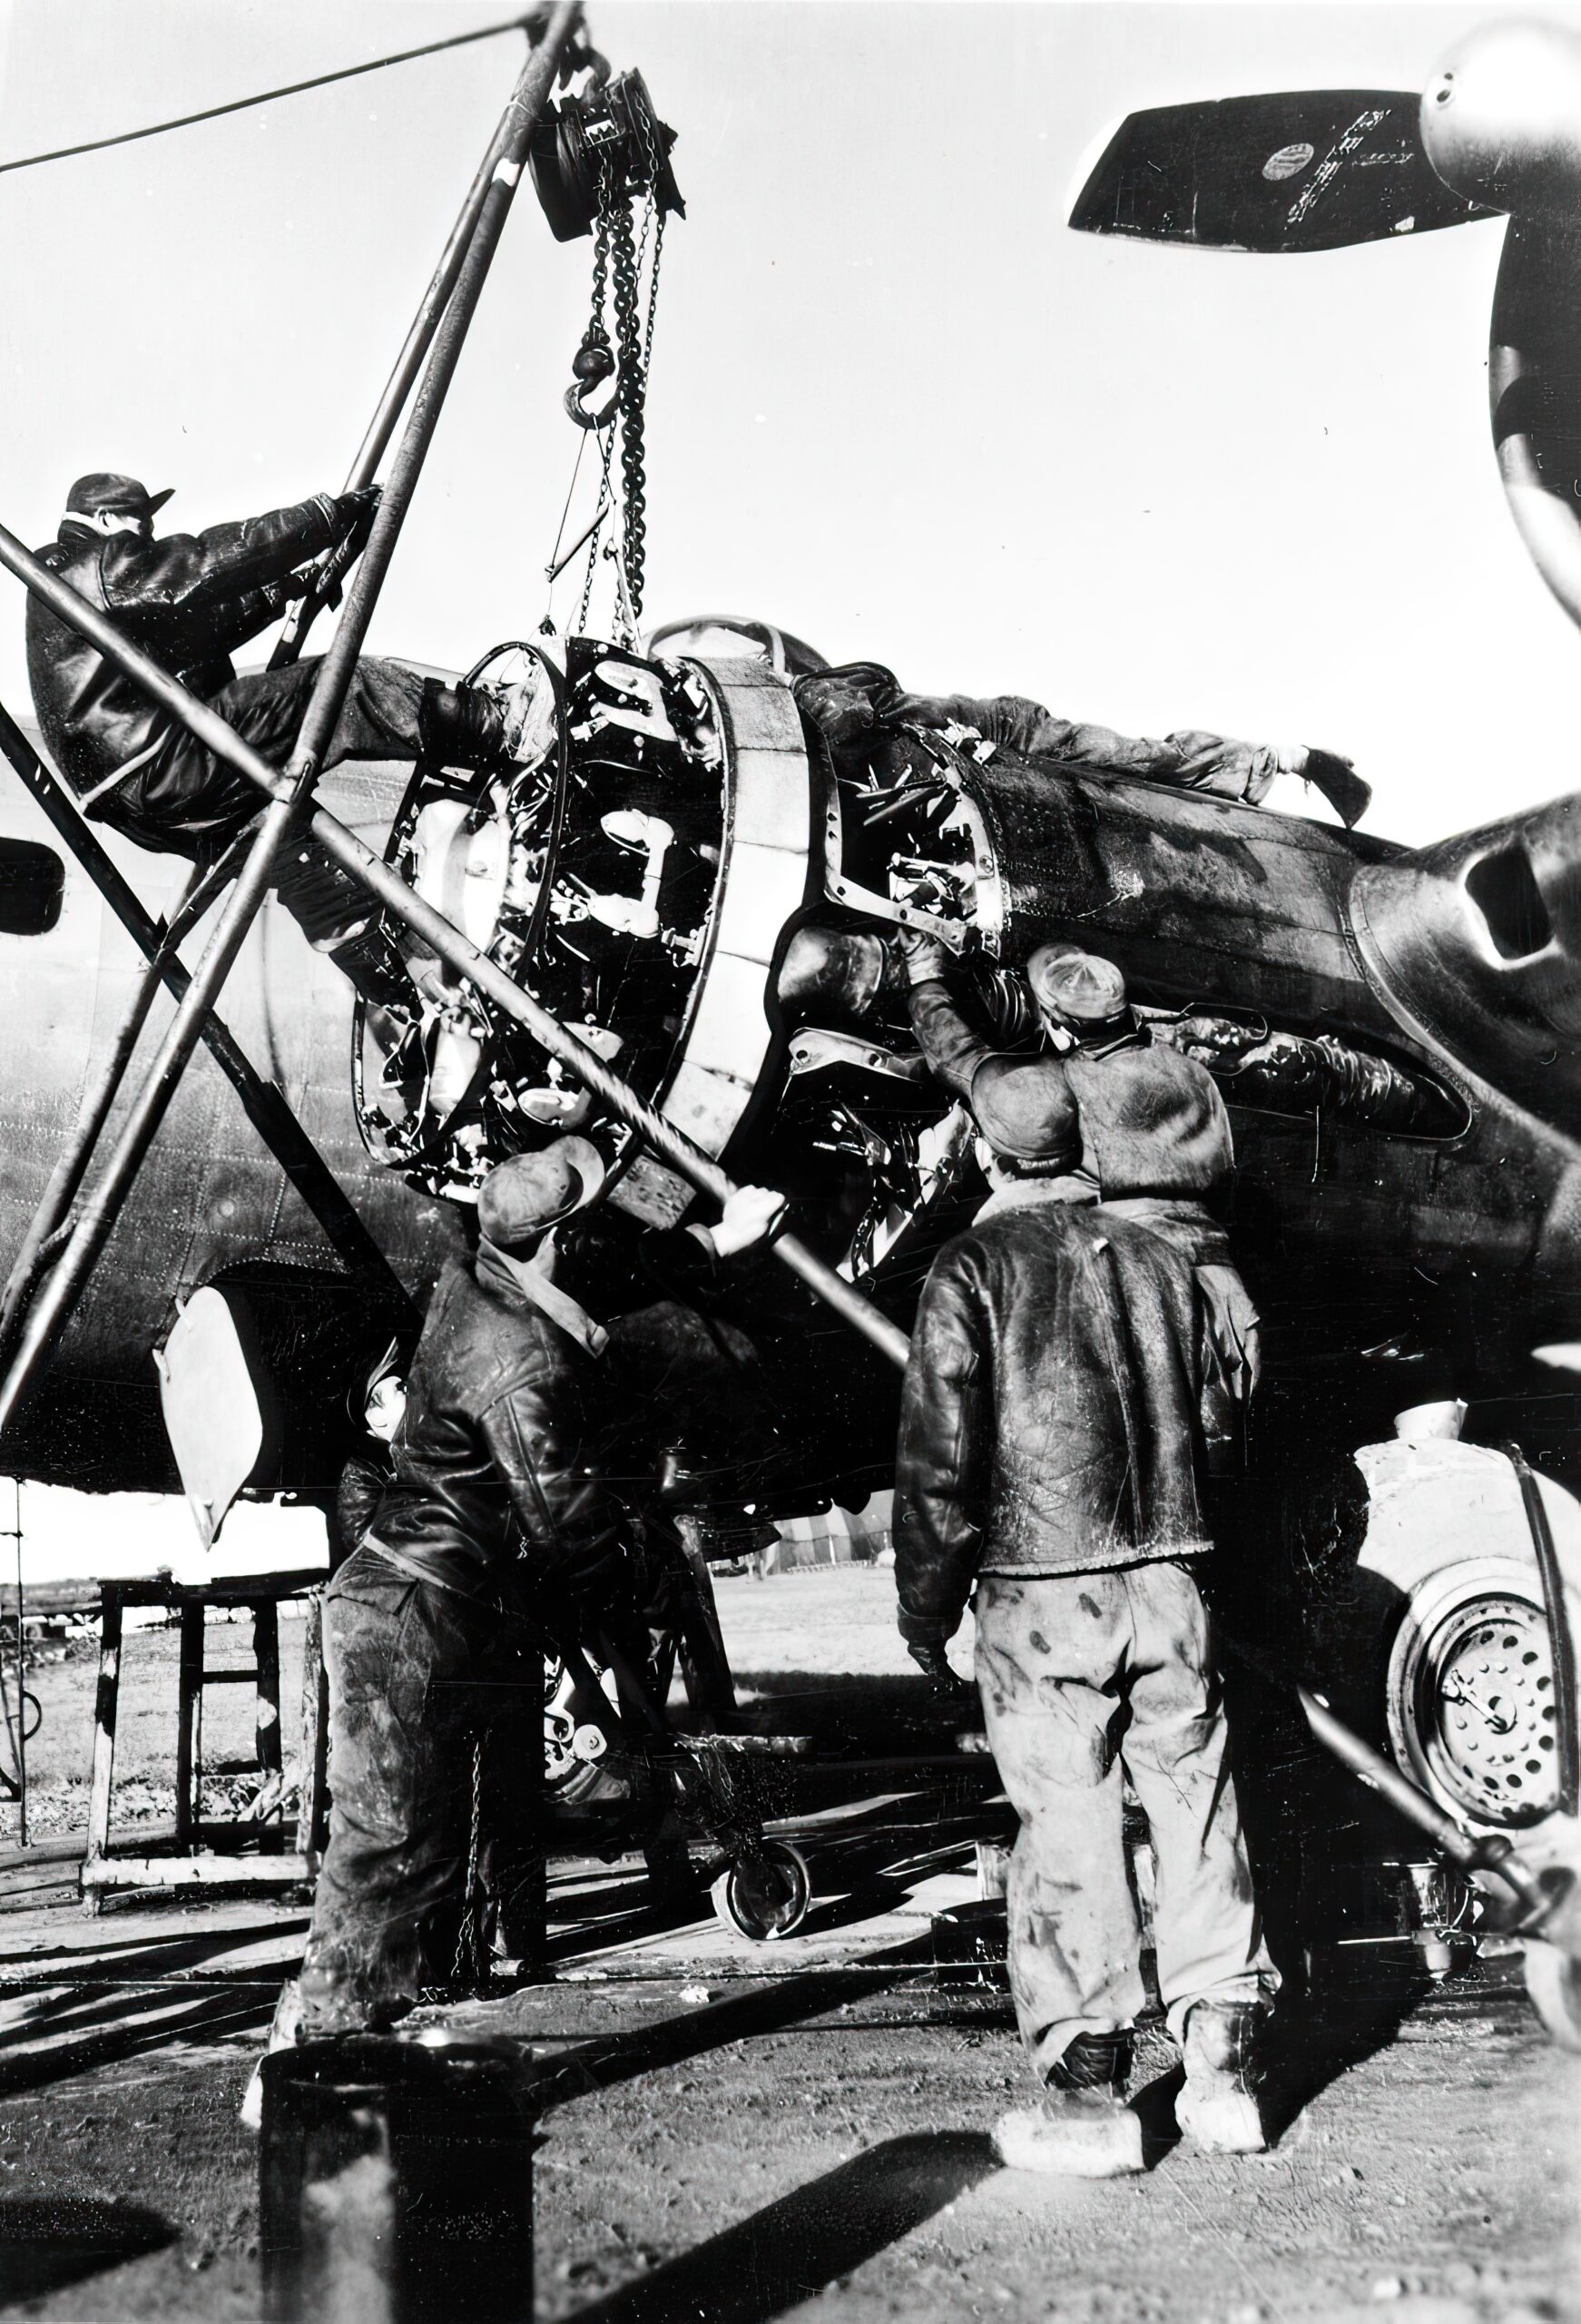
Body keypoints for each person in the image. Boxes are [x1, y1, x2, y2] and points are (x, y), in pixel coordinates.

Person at [893, 950, 1277, 2177]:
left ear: (991, 1153)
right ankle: (1224, 2080)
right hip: (1171, 1578)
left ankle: (1088, 2096)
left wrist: (923, 1611)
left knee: (1066, 1825)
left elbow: (937, 1467)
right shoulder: (1170, 1265)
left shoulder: (971, 1269)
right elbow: (1216, 1434)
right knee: (1194, 1805)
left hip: (1038, 1595)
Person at [297, 1137, 784, 2037]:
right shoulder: (520, 1363)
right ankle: (307, 2056)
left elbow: (593, 1293)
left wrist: (719, 1241)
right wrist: (642, 1562)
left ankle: (371, 2055)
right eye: (585, 1221)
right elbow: (565, 1529)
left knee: (423, 1852)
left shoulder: (468, 1276)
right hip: (410, 1612)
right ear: (561, 1235)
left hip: (419, 1602)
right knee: (380, 1850)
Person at [26, 471, 547, 1009]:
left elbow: (201, 627)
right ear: (106, 521)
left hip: (144, 806)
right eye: (142, 526)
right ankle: (506, 725)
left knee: (306, 864)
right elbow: (202, 565)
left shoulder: (74, 591)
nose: (151, 536)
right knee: (343, 687)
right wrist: (326, 517)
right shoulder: (90, 566)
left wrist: (288, 587)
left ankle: (410, 1004)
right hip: (162, 763)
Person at [904, 933, 1261, 1452]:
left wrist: (924, 979)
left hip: (1136, 1293)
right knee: (1211, 1467)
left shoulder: (1060, 1086)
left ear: (1060, 1026)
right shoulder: (1196, 1076)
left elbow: (958, 1057)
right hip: (1218, 1292)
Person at [794, 660, 1370, 826]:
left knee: (1143, 760)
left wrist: (792, 706)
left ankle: (1291, 759)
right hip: (982, 767)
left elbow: (847, 713)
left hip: (1011, 733)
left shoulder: (818, 691)